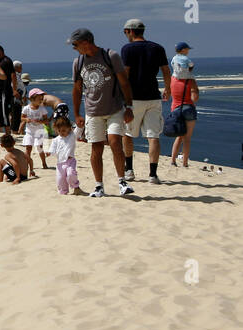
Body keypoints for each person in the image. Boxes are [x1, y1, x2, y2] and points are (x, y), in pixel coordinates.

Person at [68, 27, 135, 197]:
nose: (74, 48)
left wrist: (129, 107)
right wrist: (76, 114)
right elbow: (76, 90)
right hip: (92, 111)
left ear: (85, 42)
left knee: (114, 143)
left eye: (75, 45)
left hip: (114, 108)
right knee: (96, 148)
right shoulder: (78, 62)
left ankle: (122, 182)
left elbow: (124, 83)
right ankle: (99, 186)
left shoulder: (110, 56)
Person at [120, 19, 173, 184]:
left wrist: (121, 96)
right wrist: (168, 89)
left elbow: (125, 74)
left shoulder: (127, 49)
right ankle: (153, 175)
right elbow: (166, 70)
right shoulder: (157, 48)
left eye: (125, 32)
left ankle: (129, 170)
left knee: (128, 134)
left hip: (133, 98)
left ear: (130, 31)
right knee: (153, 136)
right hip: (153, 97)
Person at [169, 61, 199, 168]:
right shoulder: (191, 80)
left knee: (179, 136)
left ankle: (173, 161)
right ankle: (185, 163)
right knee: (187, 138)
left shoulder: (173, 78)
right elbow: (194, 98)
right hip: (189, 108)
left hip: (176, 108)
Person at [48, 116, 82, 195]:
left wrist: (80, 126)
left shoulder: (72, 136)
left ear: (69, 129)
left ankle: (76, 187)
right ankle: (63, 192)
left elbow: (78, 131)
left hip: (70, 161)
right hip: (60, 164)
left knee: (71, 174)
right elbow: (52, 149)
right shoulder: (55, 140)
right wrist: (49, 152)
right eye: (59, 130)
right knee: (60, 180)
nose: (61, 132)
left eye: (63, 130)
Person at [20, 89, 51, 170]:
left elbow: (46, 120)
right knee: (28, 148)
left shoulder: (42, 108)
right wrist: (26, 120)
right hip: (29, 132)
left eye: (42, 98)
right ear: (32, 99)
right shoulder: (26, 108)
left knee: (39, 148)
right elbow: (22, 117)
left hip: (39, 131)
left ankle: (44, 163)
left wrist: (41, 121)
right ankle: (27, 163)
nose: (41, 100)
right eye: (39, 98)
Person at [0, 45, 17, 133]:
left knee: (4, 111)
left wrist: (14, 89)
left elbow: (13, 75)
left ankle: (8, 131)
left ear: (0, 51)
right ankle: (2, 130)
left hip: (4, 90)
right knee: (0, 111)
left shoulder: (7, 61)